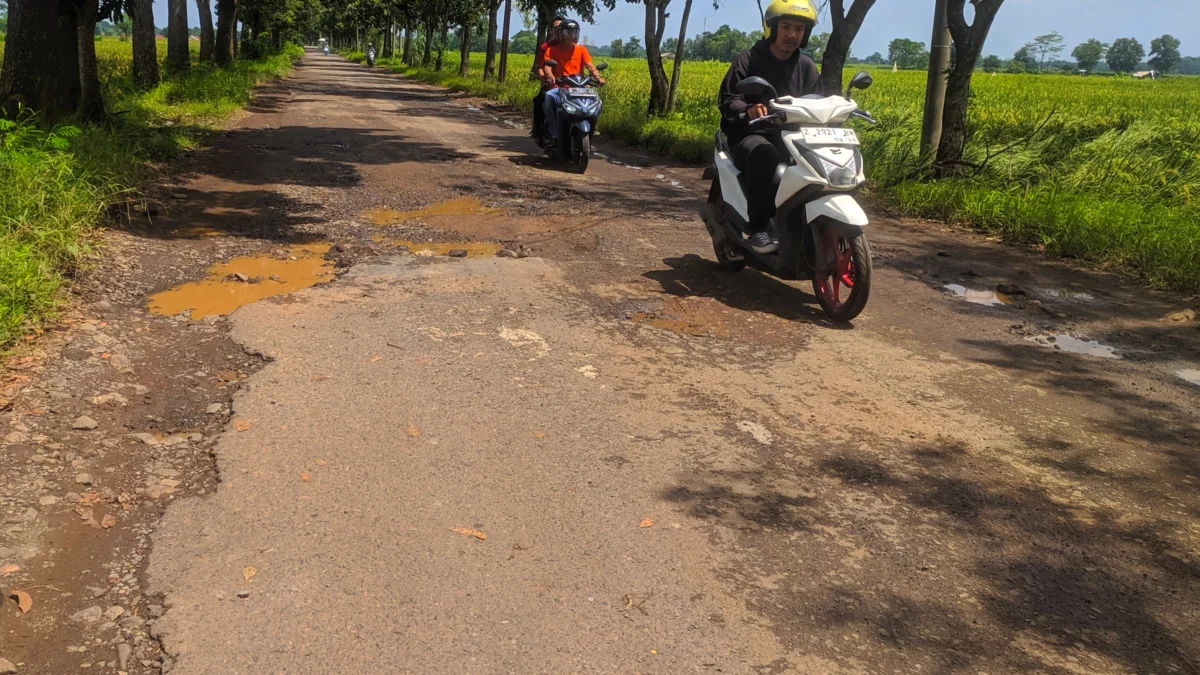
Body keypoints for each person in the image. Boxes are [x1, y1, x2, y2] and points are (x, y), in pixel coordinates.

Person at [717, 0, 821, 253]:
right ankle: (758, 228)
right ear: (773, 28)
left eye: (799, 28)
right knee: (765, 154)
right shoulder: (748, 60)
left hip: (792, 136)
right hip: (750, 134)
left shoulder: (805, 66)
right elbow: (729, 99)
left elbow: (817, 99)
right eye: (786, 26)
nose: (793, 34)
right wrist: (748, 109)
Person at [539, 19, 605, 148]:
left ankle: (591, 125)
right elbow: (547, 65)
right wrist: (550, 75)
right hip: (559, 87)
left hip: (579, 87)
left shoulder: (581, 50)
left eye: (574, 32)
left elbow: (590, 66)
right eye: (567, 32)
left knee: (599, 102)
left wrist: (597, 77)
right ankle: (554, 134)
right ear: (560, 34)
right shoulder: (551, 50)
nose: (571, 35)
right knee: (548, 99)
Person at [531, 16, 565, 139]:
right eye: (555, 28)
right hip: (552, 84)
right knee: (539, 101)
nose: (558, 30)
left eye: (561, 28)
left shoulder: (574, 48)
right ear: (551, 30)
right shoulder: (546, 47)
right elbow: (540, 66)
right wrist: (544, 78)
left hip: (571, 86)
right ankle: (539, 130)